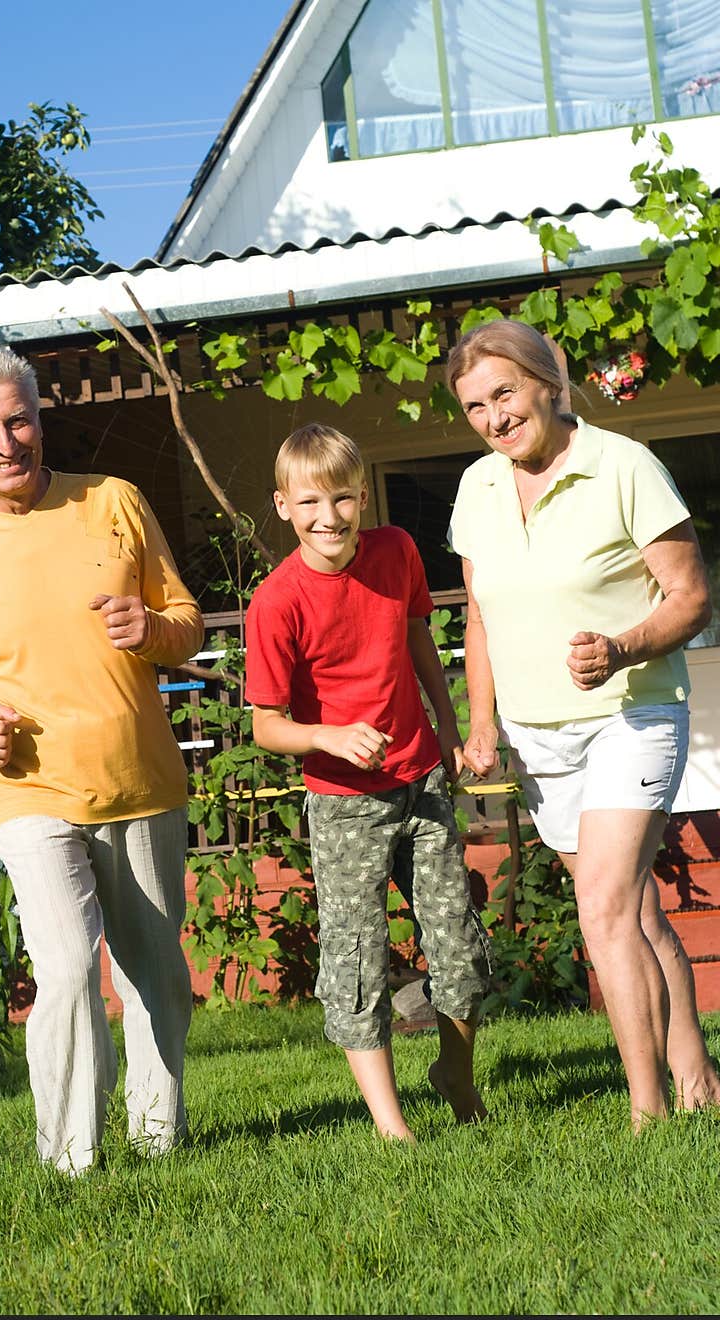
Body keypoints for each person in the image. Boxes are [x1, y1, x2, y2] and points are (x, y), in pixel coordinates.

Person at [0, 343, 204, 1174]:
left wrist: (151, 629)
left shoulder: (113, 502)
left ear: (41, 421)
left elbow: (185, 618)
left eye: (18, 420)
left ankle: (159, 1138)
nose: (4, 441)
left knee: (154, 972)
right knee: (71, 965)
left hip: (138, 775)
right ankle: (72, 1158)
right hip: (27, 785)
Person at [446, 317, 720, 1129]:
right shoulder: (478, 487)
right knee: (633, 911)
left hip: (631, 714)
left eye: (504, 394)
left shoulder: (624, 465)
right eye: (474, 406)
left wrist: (624, 645)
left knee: (602, 906)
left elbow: (692, 597)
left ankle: (648, 1111)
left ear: (546, 383)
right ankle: (698, 1076)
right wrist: (483, 724)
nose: (494, 418)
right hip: (539, 735)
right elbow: (480, 618)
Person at [244, 423, 493, 1143]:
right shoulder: (277, 602)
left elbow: (418, 637)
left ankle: (455, 1073)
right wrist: (327, 735)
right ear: (284, 505)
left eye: (343, 498)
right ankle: (392, 1125)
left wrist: (446, 724)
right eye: (310, 501)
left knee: (462, 948)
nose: (330, 517)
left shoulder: (396, 552)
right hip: (344, 802)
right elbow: (265, 724)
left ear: (361, 496)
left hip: (419, 780)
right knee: (357, 958)